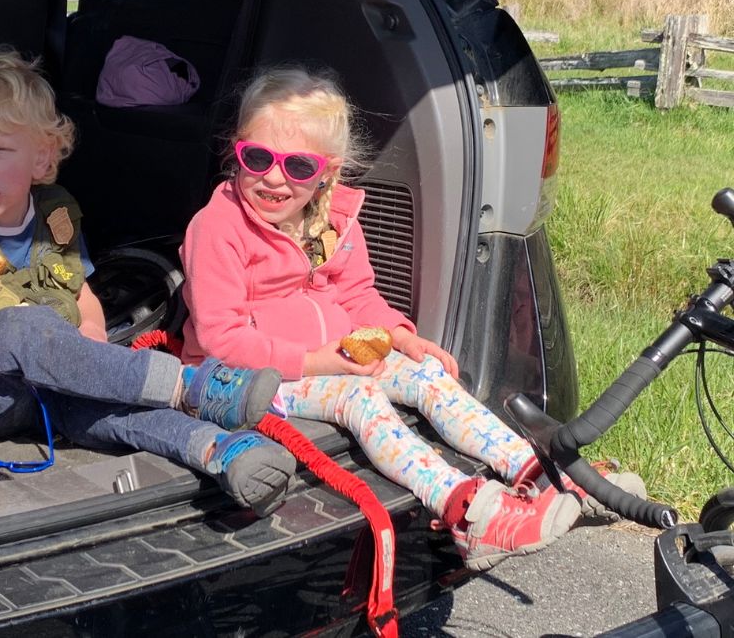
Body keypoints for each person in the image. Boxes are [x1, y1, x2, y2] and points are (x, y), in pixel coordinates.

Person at [180, 66, 642, 570]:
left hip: (333, 358)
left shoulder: (332, 219)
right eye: (258, 158)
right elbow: (222, 338)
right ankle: (464, 510)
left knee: (426, 374)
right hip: (246, 377)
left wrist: (400, 336)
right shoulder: (218, 227)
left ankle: (538, 470)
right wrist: (317, 361)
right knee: (359, 397)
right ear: (238, 151)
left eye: (298, 167)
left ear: (327, 174)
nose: (273, 177)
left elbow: (358, 295)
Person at [0, 47, 297, 514]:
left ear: (41, 156)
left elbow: (80, 292)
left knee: (109, 413)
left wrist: (92, 344)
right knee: (24, 326)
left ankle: (219, 451)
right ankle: (188, 385)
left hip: (53, 387)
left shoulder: (55, 211)